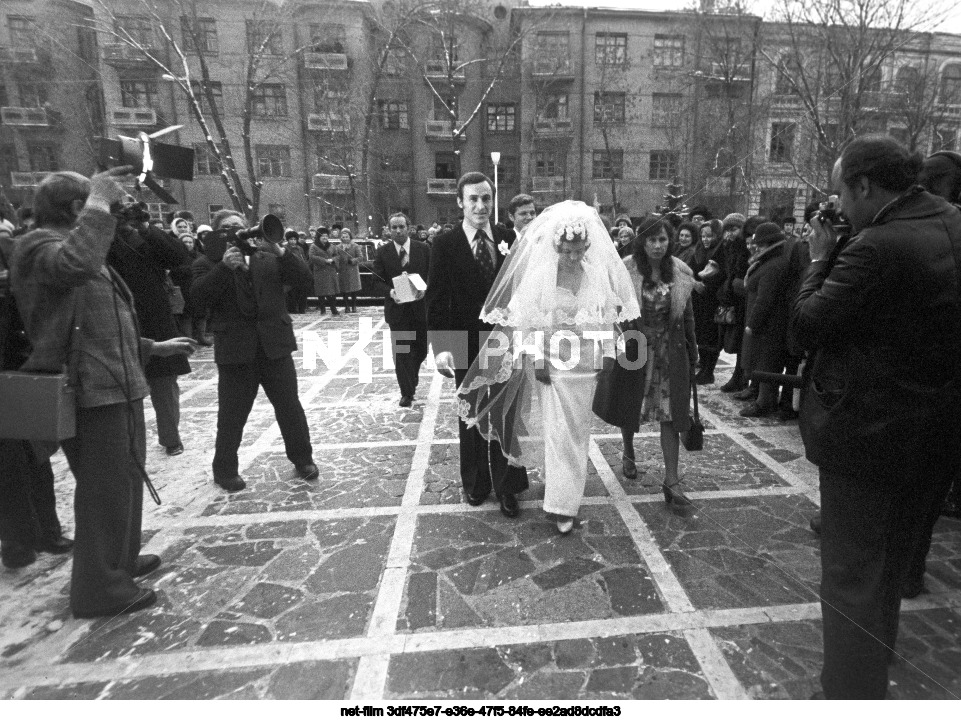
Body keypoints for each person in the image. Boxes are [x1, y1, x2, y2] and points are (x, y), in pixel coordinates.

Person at [792, 136, 961, 699]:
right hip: (937, 432)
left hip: (870, 435)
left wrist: (820, 257)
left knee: (852, 574)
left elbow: (807, 326)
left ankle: (848, 693)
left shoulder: (878, 245)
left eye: (841, 190)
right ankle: (871, 665)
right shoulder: (953, 222)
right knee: (892, 567)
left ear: (864, 185)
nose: (838, 205)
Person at [11, 168, 195, 617]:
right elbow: (75, 270)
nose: (115, 216)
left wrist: (151, 346)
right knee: (103, 488)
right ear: (78, 208)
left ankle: (121, 561)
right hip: (92, 388)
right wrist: (98, 203)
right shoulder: (40, 247)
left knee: (127, 479)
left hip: (116, 379)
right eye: (104, 207)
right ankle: (99, 588)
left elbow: (98, 321)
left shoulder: (79, 246)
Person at [457, 201, 639, 534]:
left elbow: (605, 316)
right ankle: (561, 505)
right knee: (558, 434)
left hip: (587, 366)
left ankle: (564, 495)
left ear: (587, 246)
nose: (573, 256)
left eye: (578, 250)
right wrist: (537, 359)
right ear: (557, 246)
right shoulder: (542, 275)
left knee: (579, 433)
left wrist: (610, 354)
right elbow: (525, 323)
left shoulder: (595, 274)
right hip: (552, 365)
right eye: (567, 251)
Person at [190, 210, 318, 493]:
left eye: (239, 225)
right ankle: (224, 469)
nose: (236, 230)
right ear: (217, 233)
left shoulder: (267, 257)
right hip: (236, 350)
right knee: (232, 414)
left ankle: (303, 459)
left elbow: (306, 282)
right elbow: (196, 300)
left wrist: (281, 251)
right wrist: (223, 268)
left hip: (275, 345)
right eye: (227, 227)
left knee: (290, 408)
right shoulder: (207, 263)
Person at [426, 171, 529, 518]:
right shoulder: (445, 244)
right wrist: (441, 346)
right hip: (465, 343)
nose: (481, 206)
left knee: (505, 413)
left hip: (504, 341)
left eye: (486, 198)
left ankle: (507, 485)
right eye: (473, 199)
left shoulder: (506, 237)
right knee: (470, 415)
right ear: (460, 202)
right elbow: (437, 299)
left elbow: (520, 290)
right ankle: (475, 483)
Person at [0, 219, 73, 569]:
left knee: (35, 462)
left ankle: (47, 530)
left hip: (16, 377)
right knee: (9, 470)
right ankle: (17, 542)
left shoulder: (15, 267)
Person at [619, 219, 698, 513]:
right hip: (635, 349)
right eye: (651, 240)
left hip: (670, 352)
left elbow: (687, 315)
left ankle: (671, 480)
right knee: (631, 406)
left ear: (670, 241)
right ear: (642, 242)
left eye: (662, 239)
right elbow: (615, 311)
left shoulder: (679, 272)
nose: (657, 245)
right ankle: (628, 451)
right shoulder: (626, 270)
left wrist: (693, 350)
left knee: (671, 413)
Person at [109, 206, 194, 456]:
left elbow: (179, 257)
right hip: (117, 317)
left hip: (155, 317)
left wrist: (144, 227)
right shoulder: (101, 239)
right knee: (122, 384)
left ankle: (171, 437)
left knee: (165, 384)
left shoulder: (143, 238)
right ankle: (127, 443)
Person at [373, 213, 430, 407]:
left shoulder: (423, 249)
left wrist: (425, 288)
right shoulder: (383, 252)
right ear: (389, 230)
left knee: (420, 350)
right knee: (402, 353)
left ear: (409, 228)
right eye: (394, 227)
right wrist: (390, 292)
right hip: (398, 312)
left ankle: (410, 377)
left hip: (421, 310)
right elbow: (376, 282)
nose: (398, 231)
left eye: (401, 227)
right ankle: (406, 392)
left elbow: (433, 274)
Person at [739, 222, 790, 417]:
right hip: (764, 324)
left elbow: (765, 299)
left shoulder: (773, 266)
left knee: (766, 363)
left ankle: (765, 402)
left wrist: (753, 323)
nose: (755, 247)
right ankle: (761, 398)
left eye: (760, 244)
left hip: (768, 326)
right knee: (760, 362)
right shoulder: (767, 262)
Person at [689, 219, 725, 385]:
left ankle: (709, 370)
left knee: (710, 336)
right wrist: (694, 283)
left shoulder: (720, 252)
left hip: (712, 300)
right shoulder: (699, 251)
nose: (705, 239)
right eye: (703, 236)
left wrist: (707, 285)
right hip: (698, 299)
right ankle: (703, 366)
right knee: (700, 335)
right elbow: (691, 271)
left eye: (709, 236)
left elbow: (721, 274)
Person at [309, 227, 340, 315]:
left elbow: (337, 256)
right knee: (321, 292)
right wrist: (324, 260)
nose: (325, 238)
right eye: (323, 236)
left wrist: (333, 260)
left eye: (326, 236)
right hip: (320, 271)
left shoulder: (332, 246)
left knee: (332, 292)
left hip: (330, 271)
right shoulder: (313, 246)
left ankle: (333, 309)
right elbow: (312, 257)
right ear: (319, 237)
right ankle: (322, 309)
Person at [337, 227, 363, 313]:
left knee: (353, 290)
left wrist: (352, 261)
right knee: (344, 290)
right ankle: (346, 306)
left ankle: (354, 306)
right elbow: (336, 257)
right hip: (343, 270)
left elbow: (360, 257)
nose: (345, 239)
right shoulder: (338, 247)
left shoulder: (355, 246)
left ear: (350, 237)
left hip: (353, 270)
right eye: (343, 237)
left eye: (346, 236)